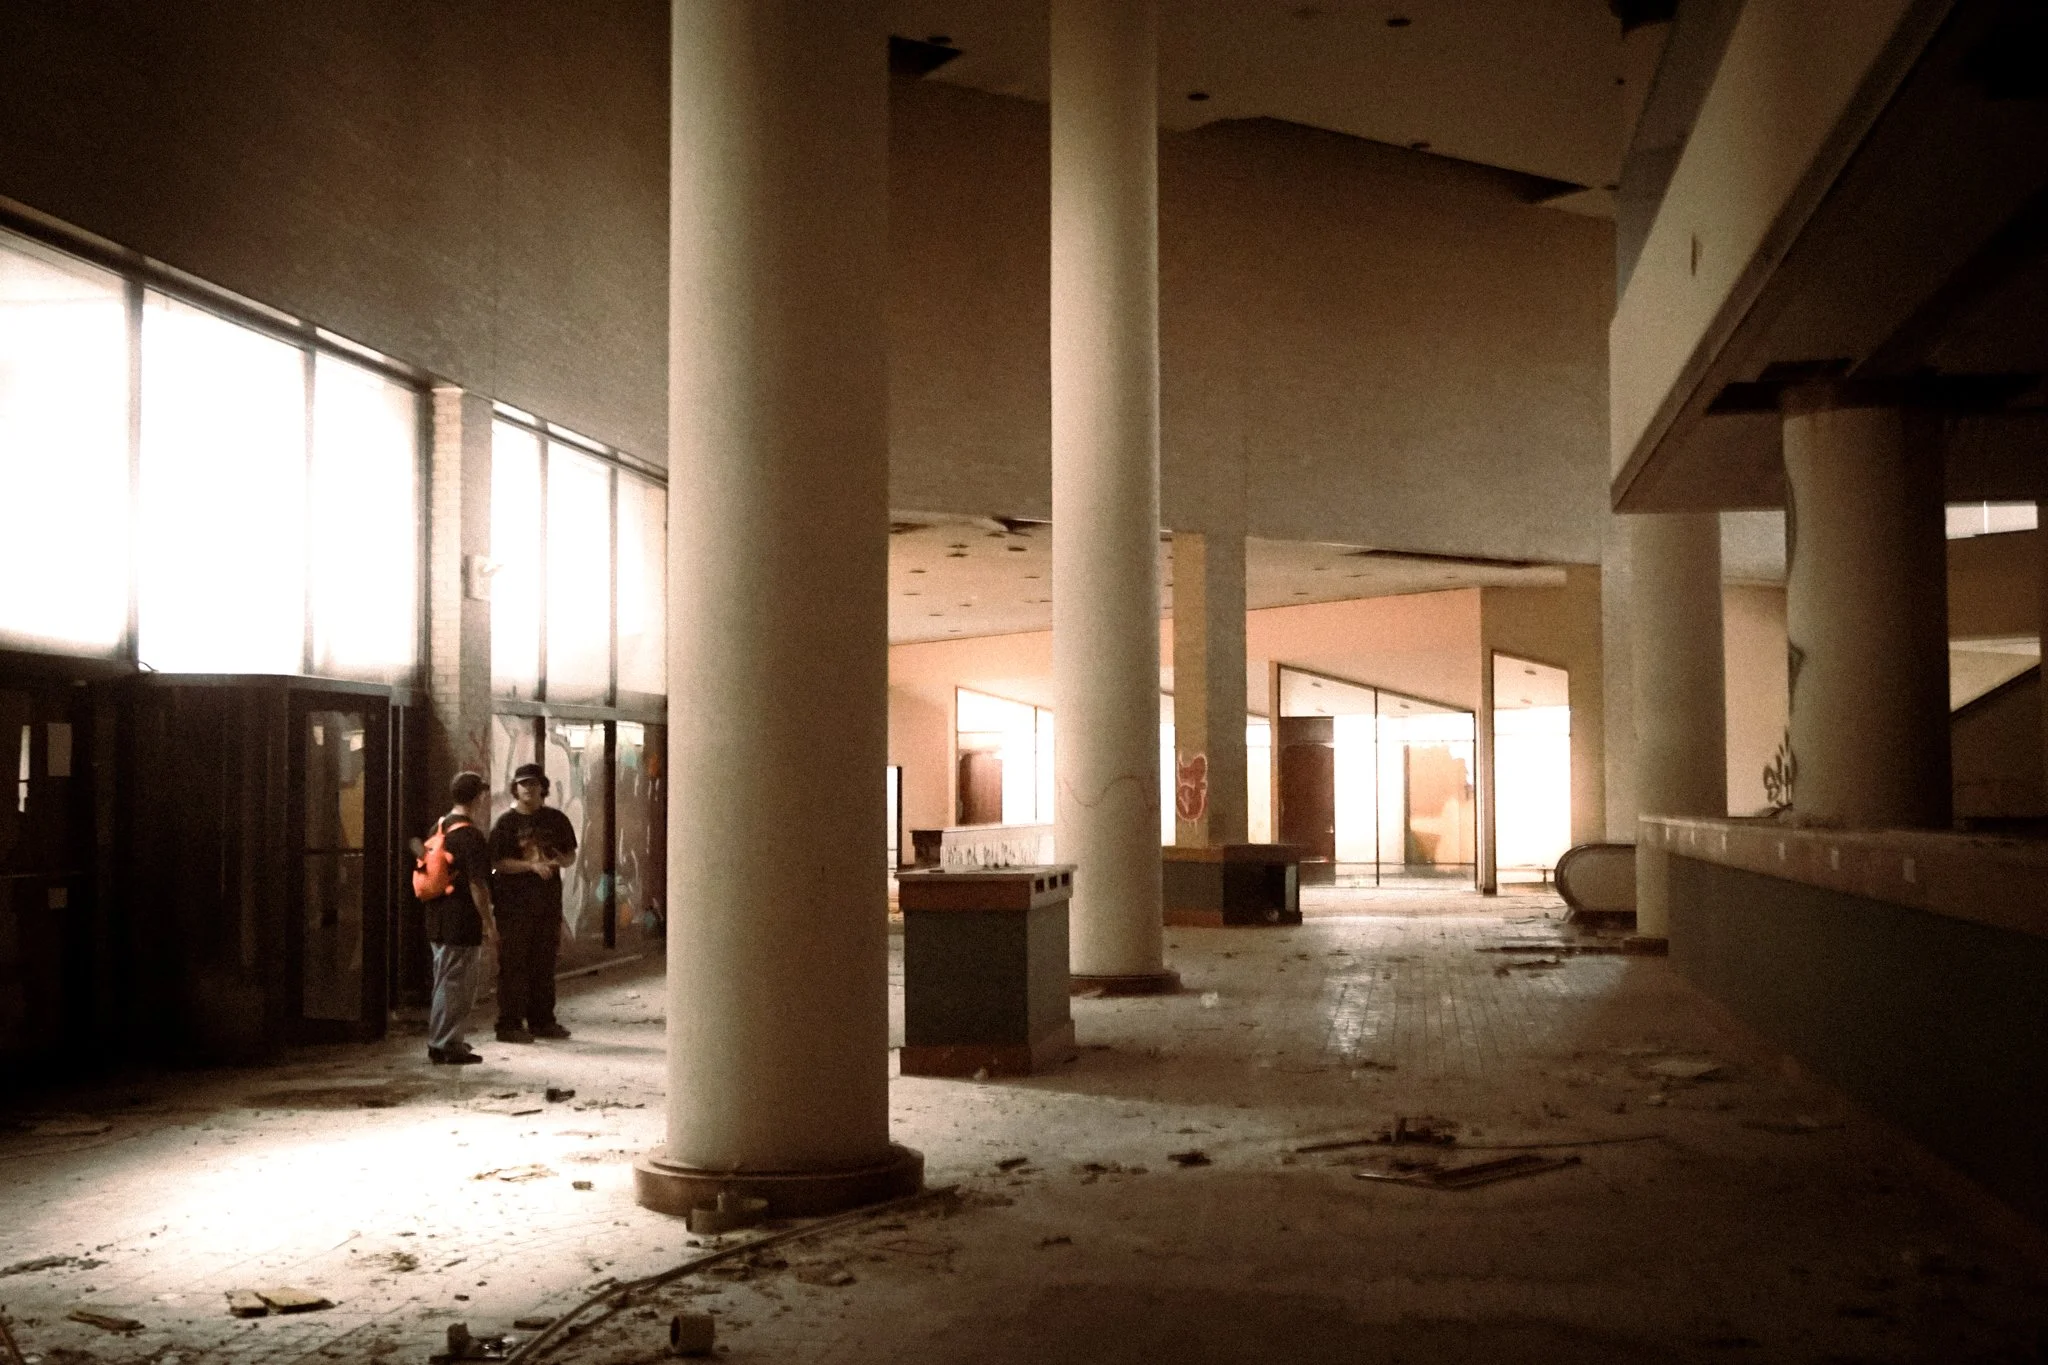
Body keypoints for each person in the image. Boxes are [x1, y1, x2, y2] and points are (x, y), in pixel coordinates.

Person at [488, 762, 578, 1043]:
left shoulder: (557, 820)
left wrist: (560, 861)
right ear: (515, 789)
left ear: (543, 788)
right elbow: (499, 863)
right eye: (523, 784)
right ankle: (509, 1024)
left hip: (547, 905)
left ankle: (542, 1021)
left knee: (544, 964)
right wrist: (531, 867)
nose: (528, 789)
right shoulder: (505, 824)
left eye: (534, 784)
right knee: (514, 964)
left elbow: (570, 855)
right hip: (513, 907)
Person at [424, 771, 497, 1065]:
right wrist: (489, 923)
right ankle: (445, 1044)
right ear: (478, 797)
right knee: (457, 984)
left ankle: (446, 1039)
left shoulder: (439, 827)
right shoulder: (470, 835)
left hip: (437, 915)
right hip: (461, 920)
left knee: (445, 980)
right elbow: (477, 885)